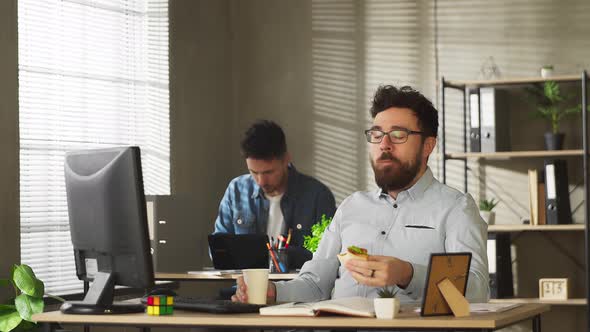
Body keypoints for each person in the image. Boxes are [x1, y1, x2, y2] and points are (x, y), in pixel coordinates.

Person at [232, 85, 489, 304]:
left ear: (428, 145)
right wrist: (274, 291)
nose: (384, 145)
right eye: (377, 135)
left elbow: (477, 291)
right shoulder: (352, 207)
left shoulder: (455, 208)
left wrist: (408, 274)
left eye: (398, 135)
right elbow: (315, 285)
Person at [213, 120, 336, 269]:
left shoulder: (317, 196)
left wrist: (285, 255)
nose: (261, 181)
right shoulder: (237, 190)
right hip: (244, 287)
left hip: (296, 288)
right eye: (254, 172)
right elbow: (218, 249)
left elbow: (328, 257)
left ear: (286, 159)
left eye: (268, 172)